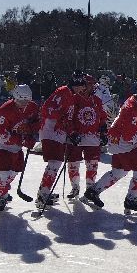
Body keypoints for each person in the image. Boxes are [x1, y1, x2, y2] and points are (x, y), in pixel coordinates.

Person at [81, 77, 137, 215]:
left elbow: (133, 128)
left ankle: (92, 192)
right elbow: (128, 135)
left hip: (116, 141)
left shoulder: (135, 102)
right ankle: (131, 200)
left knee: (119, 171)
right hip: (122, 143)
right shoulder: (134, 108)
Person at [34, 71, 90, 210]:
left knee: (55, 163)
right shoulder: (63, 92)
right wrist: (62, 120)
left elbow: (67, 119)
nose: (83, 89)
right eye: (82, 85)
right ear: (76, 84)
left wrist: (71, 132)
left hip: (58, 133)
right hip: (51, 130)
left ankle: (44, 192)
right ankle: (43, 195)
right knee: (54, 163)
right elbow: (48, 109)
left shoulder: (71, 95)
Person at [0, 84, 39, 211]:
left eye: (26, 101)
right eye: (20, 101)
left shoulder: (32, 107)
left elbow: (37, 122)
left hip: (16, 147)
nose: (23, 104)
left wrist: (31, 134)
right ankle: (2, 196)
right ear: (15, 98)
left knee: (14, 172)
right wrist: (22, 140)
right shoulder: (5, 110)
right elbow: (0, 134)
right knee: (4, 173)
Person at [66, 73, 109, 200]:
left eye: (92, 84)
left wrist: (103, 132)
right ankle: (75, 187)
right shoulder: (73, 99)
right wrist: (72, 133)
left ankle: (90, 189)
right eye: (90, 84)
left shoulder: (96, 100)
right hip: (76, 138)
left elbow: (102, 118)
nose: (92, 87)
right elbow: (68, 118)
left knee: (92, 164)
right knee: (73, 163)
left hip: (92, 138)